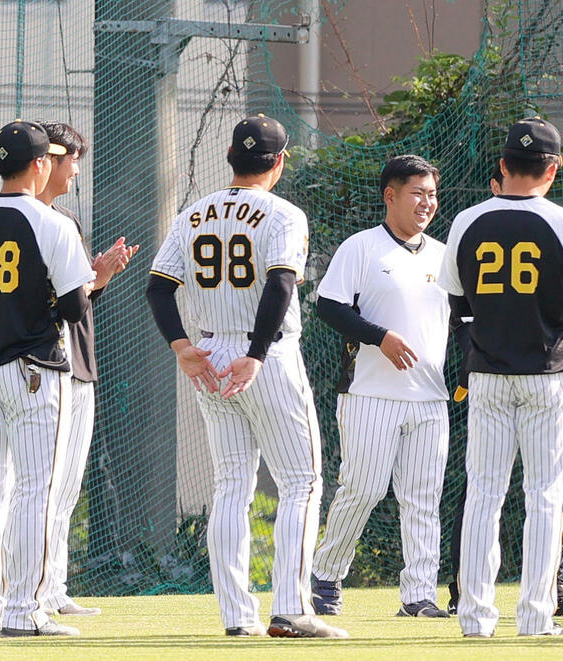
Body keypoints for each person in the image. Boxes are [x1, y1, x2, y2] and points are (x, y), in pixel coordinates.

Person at [146, 115, 347, 639]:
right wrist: (257, 353)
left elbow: (158, 288)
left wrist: (183, 346)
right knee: (300, 481)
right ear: (279, 162)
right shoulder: (283, 213)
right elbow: (281, 285)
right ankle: (291, 609)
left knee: (231, 486)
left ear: (232, 154)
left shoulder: (193, 213)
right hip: (266, 355)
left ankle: (238, 617)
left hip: (210, 350)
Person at [438, 117, 563, 638]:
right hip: (548, 372)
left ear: (503, 165)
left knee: (484, 494)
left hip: (487, 373)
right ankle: (535, 617)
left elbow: (456, 301)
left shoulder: (466, 220)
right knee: (544, 496)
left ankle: (474, 617)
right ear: (551, 169)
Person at [0, 120, 95, 637]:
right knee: (35, 491)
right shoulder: (51, 223)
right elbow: (74, 305)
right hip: (35, 372)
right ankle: (24, 612)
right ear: (41, 164)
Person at [310, 155, 450, 618]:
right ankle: (326, 576)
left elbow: (467, 319)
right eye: (418, 193)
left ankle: (419, 595)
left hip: (430, 398)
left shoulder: (444, 254)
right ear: (390, 195)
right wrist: (379, 337)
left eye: (432, 193)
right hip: (368, 393)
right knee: (362, 488)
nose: (427, 202)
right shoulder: (362, 247)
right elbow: (328, 308)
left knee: (423, 498)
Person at [34, 121, 139, 617]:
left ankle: (51, 587)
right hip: (47, 368)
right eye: (72, 158)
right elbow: (48, 302)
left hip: (77, 365)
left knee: (65, 485)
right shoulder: (34, 219)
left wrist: (100, 276)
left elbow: (72, 299)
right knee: (37, 485)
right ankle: (23, 593)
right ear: (49, 160)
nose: (77, 168)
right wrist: (94, 278)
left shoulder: (67, 220)